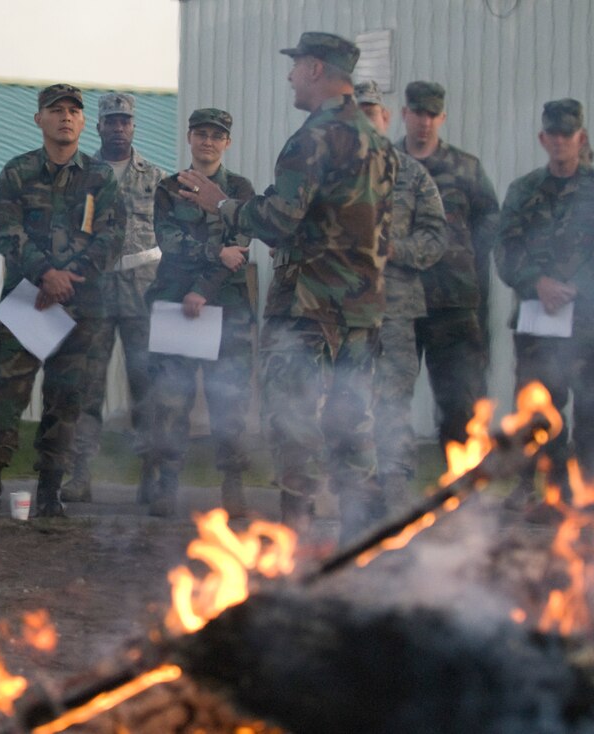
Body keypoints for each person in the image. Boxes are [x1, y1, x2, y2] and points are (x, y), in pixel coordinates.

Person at [179, 32, 397, 540]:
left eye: (296, 66)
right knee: (353, 427)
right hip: (363, 310)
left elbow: (279, 220)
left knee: (294, 424)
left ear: (317, 69)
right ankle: (359, 548)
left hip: (308, 311)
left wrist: (223, 205)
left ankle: (293, 550)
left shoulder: (313, 138)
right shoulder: (379, 143)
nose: (290, 76)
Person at [0, 84, 126, 519]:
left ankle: (49, 492)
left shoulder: (101, 177)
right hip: (27, 301)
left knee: (67, 399)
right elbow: (5, 230)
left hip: (81, 305)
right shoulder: (17, 172)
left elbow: (112, 236)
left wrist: (70, 277)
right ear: (38, 119)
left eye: (73, 111)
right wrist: (46, 274)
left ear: (82, 121)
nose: (65, 117)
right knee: (5, 395)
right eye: (55, 110)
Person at [494, 99, 594, 509]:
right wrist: (536, 283)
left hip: (590, 324)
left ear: (582, 138)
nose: (560, 141)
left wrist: (576, 287)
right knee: (538, 412)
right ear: (543, 138)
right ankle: (540, 494)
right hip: (538, 322)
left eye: (567, 134)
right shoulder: (523, 191)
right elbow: (505, 248)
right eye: (552, 134)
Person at [144, 108, 255, 518]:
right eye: (201, 134)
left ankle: (233, 484)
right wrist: (209, 258)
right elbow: (169, 241)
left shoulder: (241, 188)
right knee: (172, 399)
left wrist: (202, 290)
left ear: (227, 142)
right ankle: (167, 483)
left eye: (216, 135)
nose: (208, 141)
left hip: (226, 307)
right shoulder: (169, 188)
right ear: (189, 138)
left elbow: (239, 247)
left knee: (230, 401)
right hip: (178, 305)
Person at [62, 93, 166, 504]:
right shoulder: (80, 176)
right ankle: (80, 472)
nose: (118, 128)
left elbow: (171, 236)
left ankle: (151, 475)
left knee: (147, 387)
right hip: (94, 293)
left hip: (143, 294)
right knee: (87, 388)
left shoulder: (156, 178)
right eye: (111, 121)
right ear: (99, 126)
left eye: (125, 121)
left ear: (133, 126)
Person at [354, 81, 447, 510]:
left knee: (392, 400)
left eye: (372, 113)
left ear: (386, 118)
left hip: (395, 309)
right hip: (341, 311)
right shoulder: (327, 173)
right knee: (341, 398)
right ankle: (349, 489)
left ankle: (394, 490)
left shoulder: (411, 173)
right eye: (357, 112)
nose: (364, 121)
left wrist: (396, 250)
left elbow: (436, 237)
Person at [397, 81, 500, 452]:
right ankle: (389, 495)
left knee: (461, 403)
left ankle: (462, 495)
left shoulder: (465, 168)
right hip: (397, 303)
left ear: (441, 117)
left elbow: (490, 221)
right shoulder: (385, 165)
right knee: (389, 402)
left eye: (431, 114)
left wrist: (464, 254)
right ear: (404, 113)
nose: (423, 122)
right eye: (417, 113)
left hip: (452, 305)